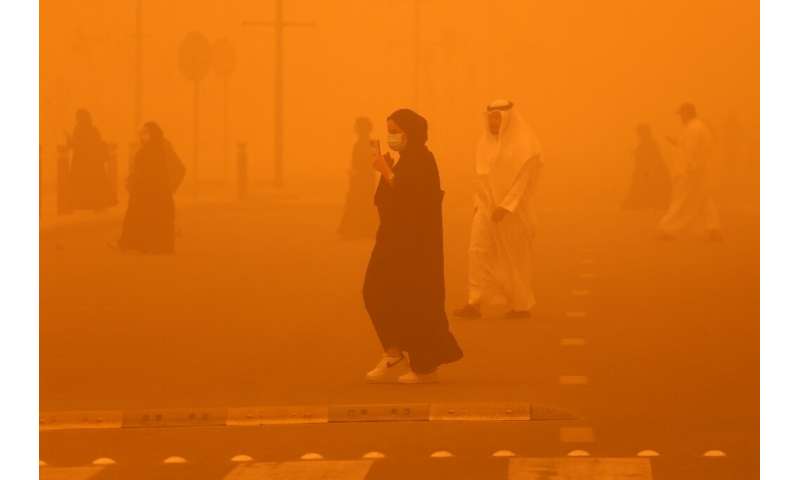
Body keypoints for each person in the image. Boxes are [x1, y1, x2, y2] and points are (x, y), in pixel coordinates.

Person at [363, 108, 463, 384]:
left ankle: (424, 365)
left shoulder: (423, 160)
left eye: (396, 132)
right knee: (374, 291)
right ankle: (392, 350)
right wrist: (388, 171)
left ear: (411, 133)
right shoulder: (404, 160)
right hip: (392, 241)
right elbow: (387, 201)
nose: (392, 137)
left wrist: (387, 173)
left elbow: (415, 201)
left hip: (416, 247)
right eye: (389, 132)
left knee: (416, 301)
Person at [453, 100, 543, 320]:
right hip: (485, 207)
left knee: (513, 257)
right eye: (490, 117)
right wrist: (479, 205)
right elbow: (479, 178)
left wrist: (506, 207)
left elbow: (523, 181)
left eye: (497, 117)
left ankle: (520, 304)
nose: (493, 122)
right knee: (477, 251)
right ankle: (475, 302)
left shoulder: (526, 145)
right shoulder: (483, 144)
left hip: (514, 213)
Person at [117, 122, 186, 254]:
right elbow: (139, 170)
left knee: (156, 218)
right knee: (142, 217)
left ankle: (156, 246)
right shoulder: (144, 150)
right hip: (144, 191)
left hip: (157, 191)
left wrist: (170, 186)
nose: (143, 136)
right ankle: (138, 244)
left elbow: (179, 168)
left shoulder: (163, 148)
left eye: (146, 133)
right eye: (142, 133)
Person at [658, 103, 723, 241]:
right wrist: (677, 143)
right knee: (703, 198)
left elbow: (691, 151)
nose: (680, 117)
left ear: (687, 113)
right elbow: (695, 148)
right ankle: (713, 228)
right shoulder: (699, 127)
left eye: (681, 114)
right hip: (699, 170)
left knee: (681, 200)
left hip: (690, 171)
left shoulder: (693, 128)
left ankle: (668, 229)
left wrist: (688, 169)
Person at [64, 109, 115, 212]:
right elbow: (96, 142)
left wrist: (69, 140)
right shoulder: (93, 129)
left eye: (78, 117)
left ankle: (83, 204)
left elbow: (76, 144)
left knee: (82, 182)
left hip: (82, 161)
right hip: (94, 162)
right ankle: (98, 205)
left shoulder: (78, 129)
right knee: (95, 183)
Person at [338, 117, 378, 239]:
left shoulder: (358, 145)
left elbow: (357, 163)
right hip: (368, 177)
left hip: (360, 178)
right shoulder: (373, 144)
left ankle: (355, 229)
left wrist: (353, 173)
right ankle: (367, 230)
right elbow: (375, 163)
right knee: (367, 203)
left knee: (357, 202)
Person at [622, 123, 671, 211]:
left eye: (639, 133)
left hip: (650, 171)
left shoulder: (650, 143)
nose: (638, 135)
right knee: (643, 185)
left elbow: (651, 157)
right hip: (647, 170)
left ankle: (649, 203)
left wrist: (637, 154)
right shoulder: (648, 143)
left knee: (646, 185)